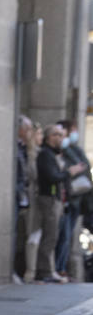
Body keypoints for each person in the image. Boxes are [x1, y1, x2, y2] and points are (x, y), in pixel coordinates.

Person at [35, 123, 86, 283]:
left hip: (56, 199)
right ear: (50, 137)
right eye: (57, 134)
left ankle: (51, 270)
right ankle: (44, 271)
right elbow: (52, 176)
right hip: (49, 199)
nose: (61, 137)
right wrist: (69, 172)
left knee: (55, 236)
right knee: (50, 236)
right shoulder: (45, 155)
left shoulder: (53, 154)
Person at [56, 119, 90, 280]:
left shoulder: (73, 148)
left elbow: (84, 165)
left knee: (67, 235)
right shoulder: (61, 151)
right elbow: (72, 168)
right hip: (66, 197)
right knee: (62, 234)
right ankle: (58, 268)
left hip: (78, 198)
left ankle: (61, 267)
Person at [14, 115, 35, 283]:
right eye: (28, 129)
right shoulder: (16, 148)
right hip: (17, 195)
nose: (30, 133)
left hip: (21, 196)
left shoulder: (24, 148)